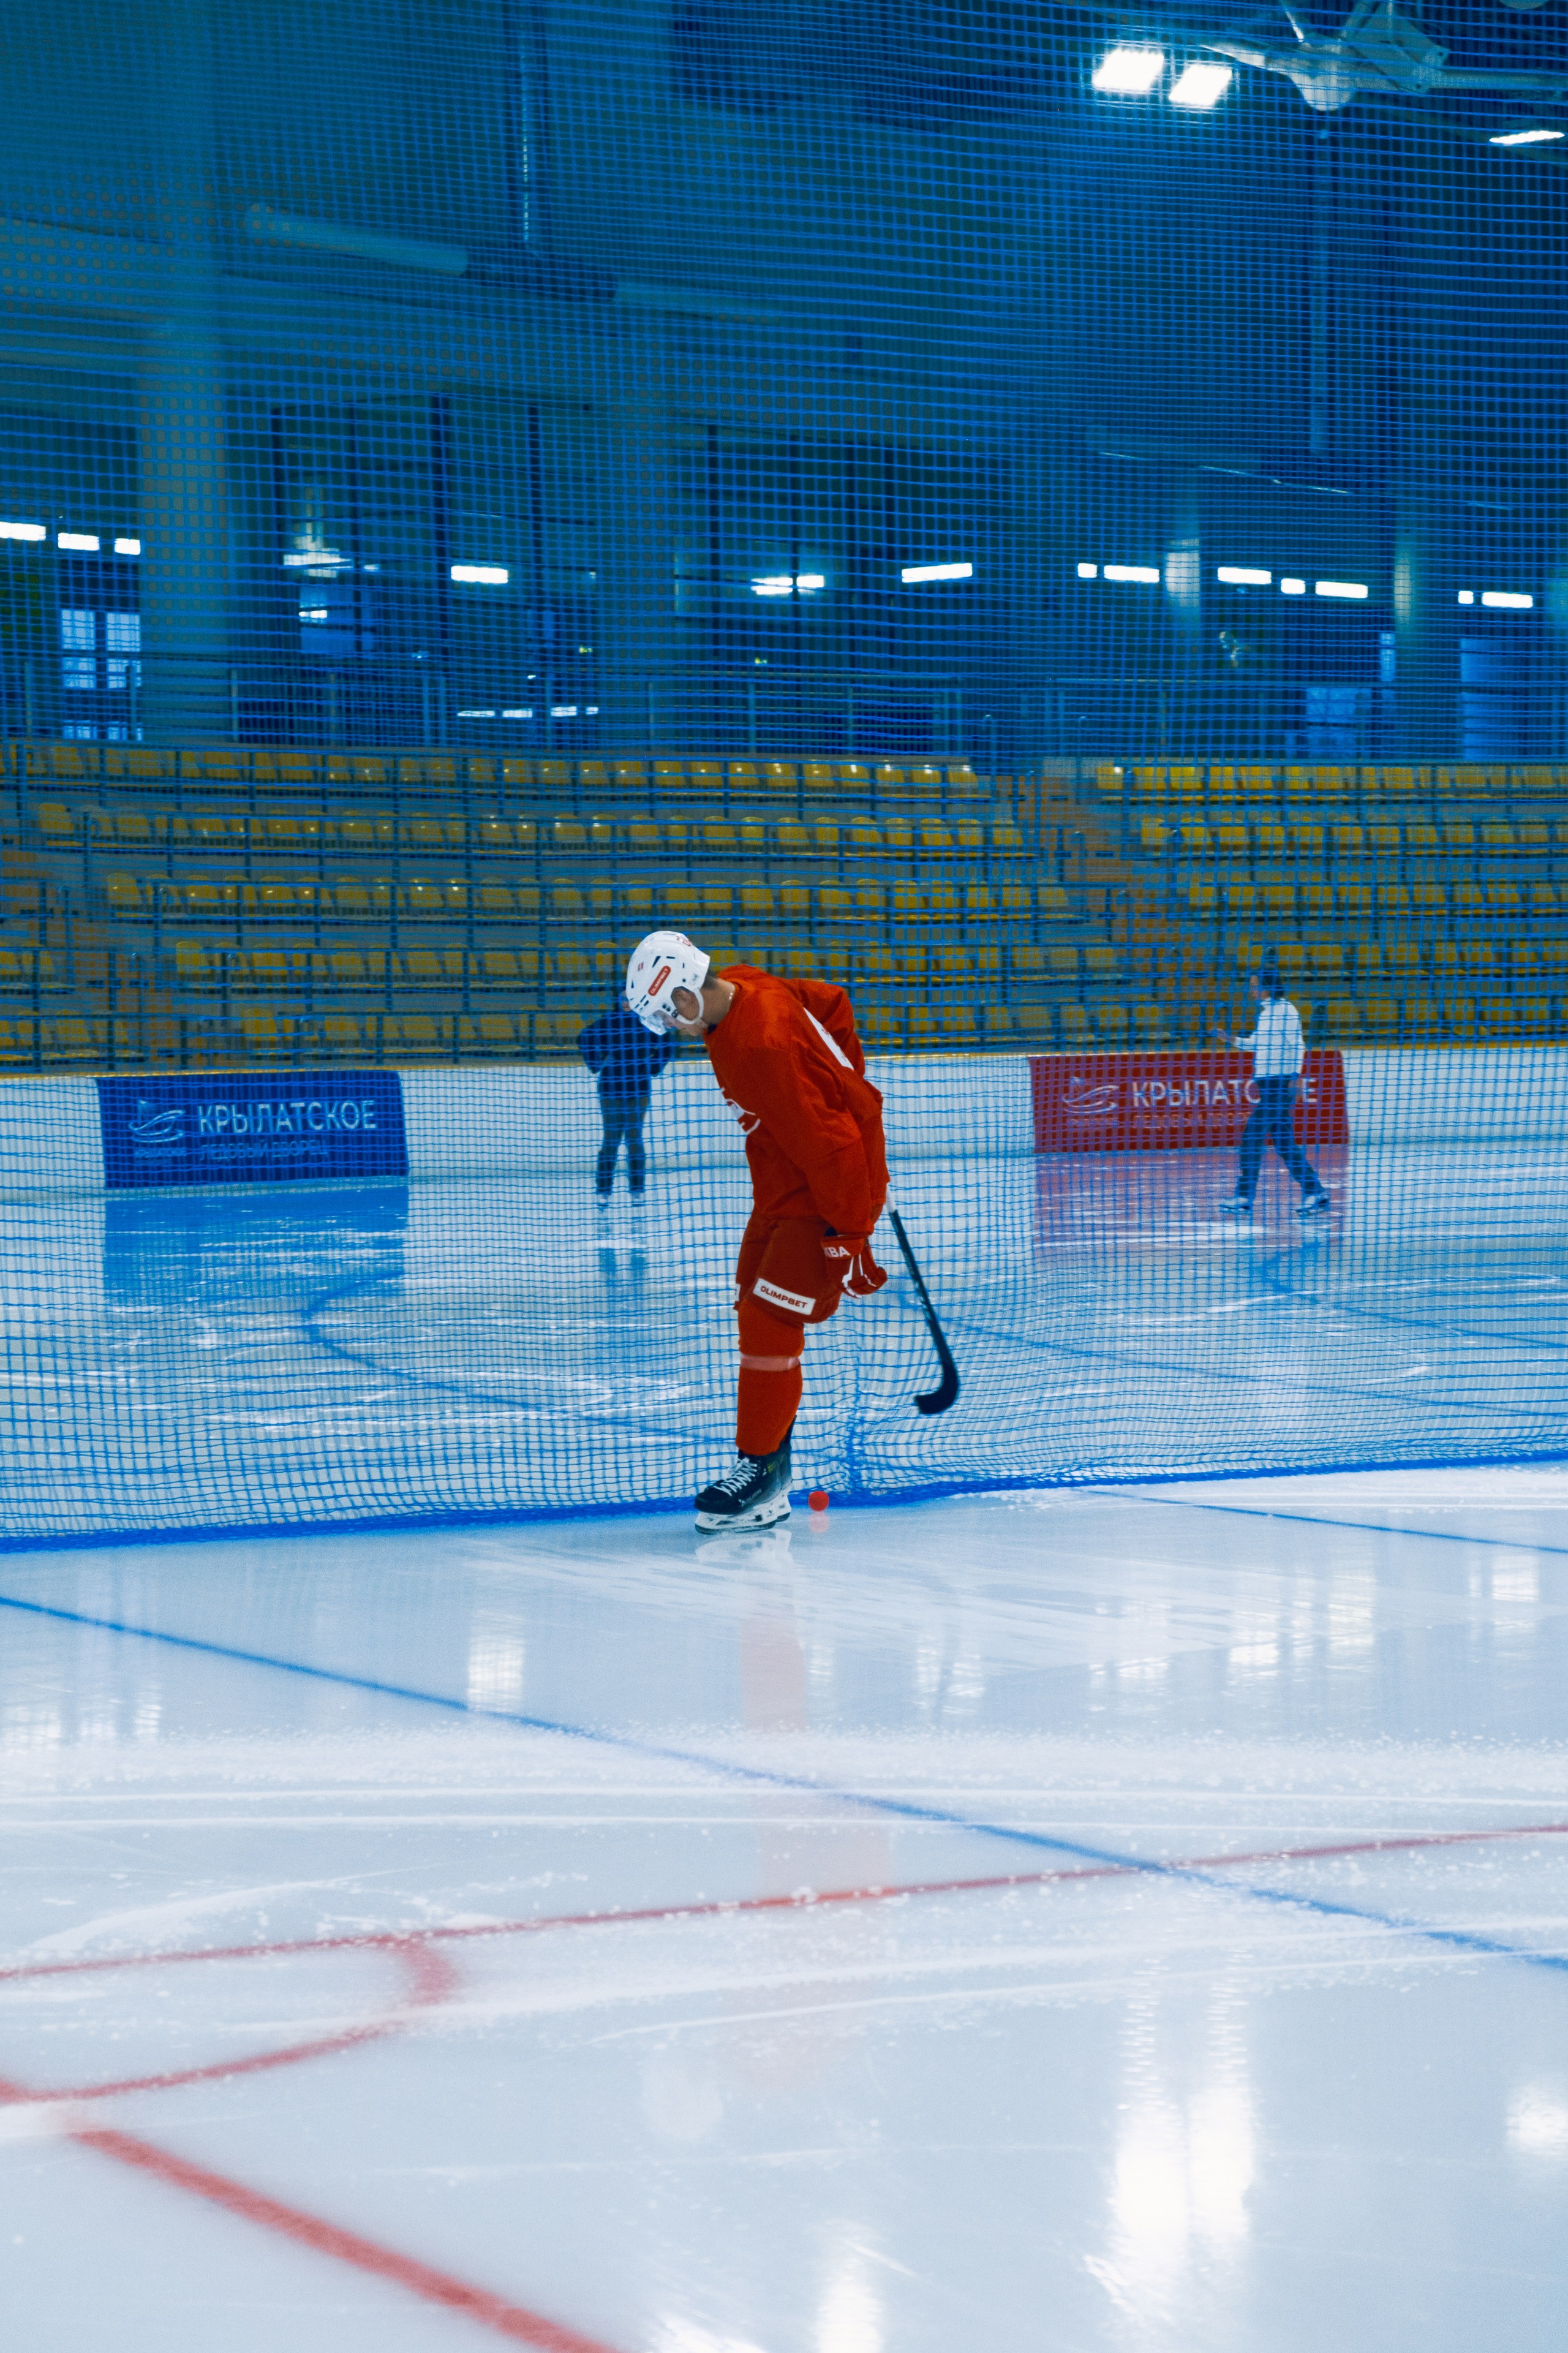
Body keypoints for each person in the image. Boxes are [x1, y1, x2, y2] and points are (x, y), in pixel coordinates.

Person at [625, 931, 891, 1531]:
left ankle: (760, 1471)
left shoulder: (763, 1043)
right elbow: (832, 1003)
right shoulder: (745, 984)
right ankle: (773, 1464)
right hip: (780, 1184)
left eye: (669, 1014)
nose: (673, 1028)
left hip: (822, 1192)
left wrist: (851, 1232)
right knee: (752, 1297)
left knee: (770, 1317)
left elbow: (833, 1144)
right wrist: (850, 1083)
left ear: (688, 991)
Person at [1213, 956, 1332, 1220]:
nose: (1251, 990)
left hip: (1280, 1085)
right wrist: (1231, 1039)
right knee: (1285, 1145)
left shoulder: (1287, 1011)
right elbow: (1255, 1044)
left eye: (1255, 985)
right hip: (1268, 1086)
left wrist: (1296, 1077)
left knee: (1251, 1136)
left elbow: (1298, 1045)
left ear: (1267, 986)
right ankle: (1316, 1191)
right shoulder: (1267, 1013)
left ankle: (1244, 1197)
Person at [576, 993, 678, 1220]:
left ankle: (637, 1191)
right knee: (611, 1140)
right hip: (611, 1089)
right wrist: (596, 1063)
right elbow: (584, 1038)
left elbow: (668, 1044)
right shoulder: (609, 1022)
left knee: (634, 1139)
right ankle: (603, 1192)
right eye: (622, 998)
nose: (626, 1003)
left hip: (639, 1089)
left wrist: (653, 1067)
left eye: (629, 999)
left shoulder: (649, 1021)